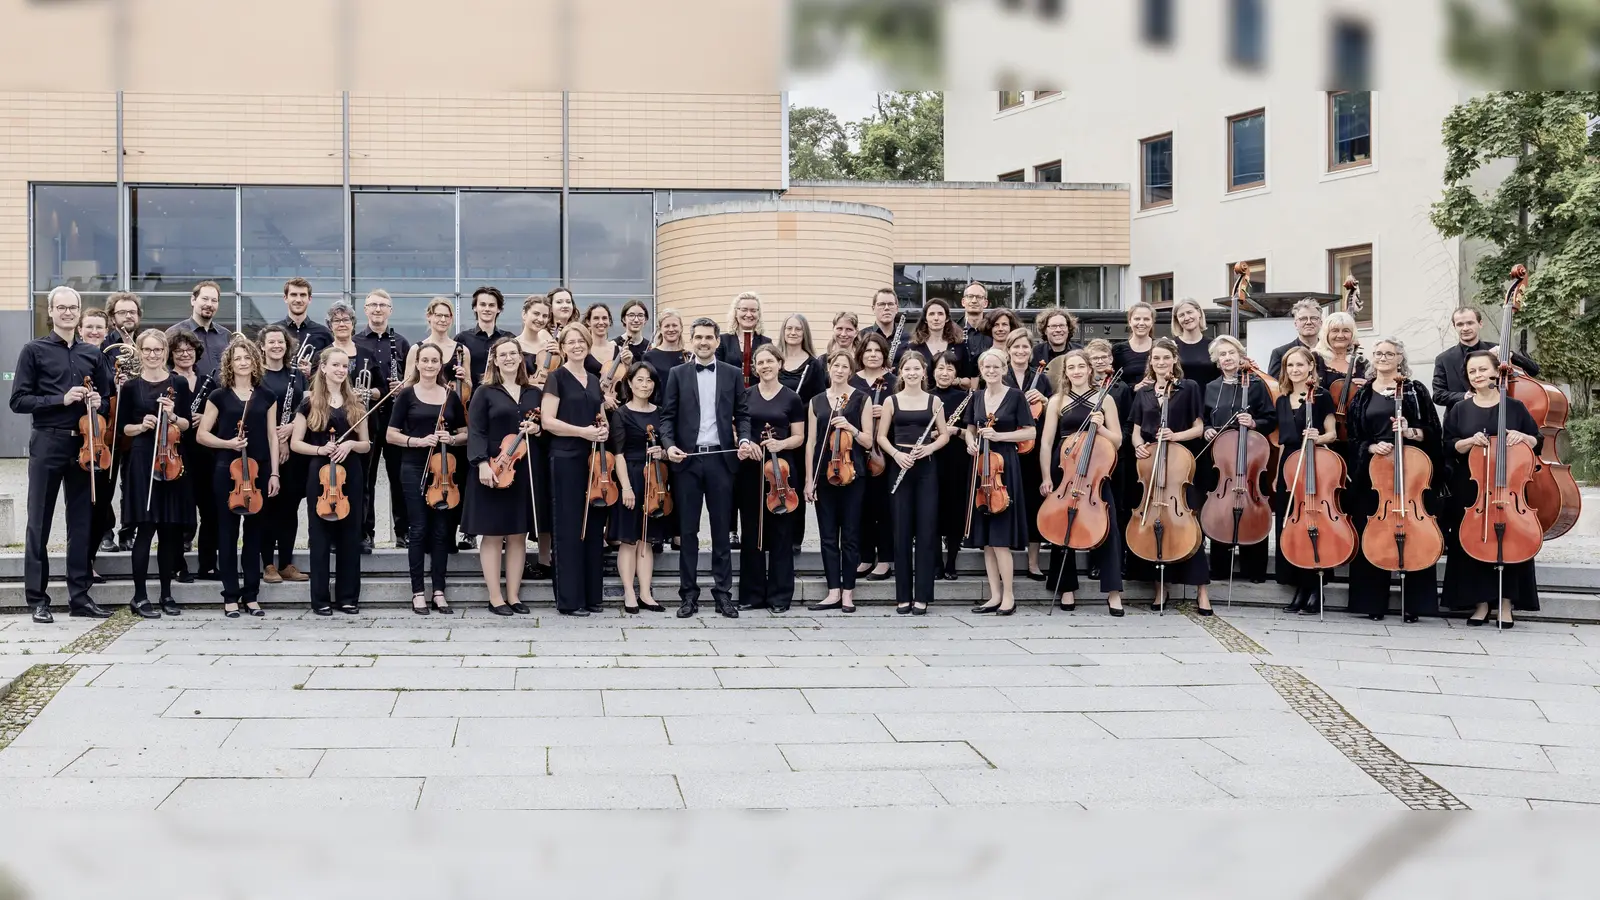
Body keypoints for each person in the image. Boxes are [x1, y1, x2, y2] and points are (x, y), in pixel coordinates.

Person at [10, 285, 114, 623]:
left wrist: (99, 402)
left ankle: (79, 597)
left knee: (81, 522)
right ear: (51, 311)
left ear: (79, 312)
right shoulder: (33, 350)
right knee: (38, 522)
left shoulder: (92, 353)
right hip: (48, 442)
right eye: (61, 308)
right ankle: (38, 599)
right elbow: (18, 401)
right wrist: (60, 399)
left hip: (84, 445)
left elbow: (107, 395)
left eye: (73, 308)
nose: (67, 313)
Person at [661, 317, 754, 618]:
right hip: (686, 462)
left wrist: (745, 439)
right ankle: (688, 595)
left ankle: (723, 594)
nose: (703, 342)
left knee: (720, 532)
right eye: (698, 337)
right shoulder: (677, 373)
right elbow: (667, 416)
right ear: (691, 340)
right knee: (687, 532)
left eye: (709, 337)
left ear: (717, 341)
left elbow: (742, 414)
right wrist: (669, 444)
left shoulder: (732, 373)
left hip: (721, 460)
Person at [1344, 338, 1442, 622]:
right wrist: (1372, 447)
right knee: (1372, 533)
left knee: (1415, 533)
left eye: (1389, 353)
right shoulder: (1362, 394)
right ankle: (1371, 602)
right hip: (1374, 474)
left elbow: (1433, 431)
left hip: (1411, 473)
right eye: (1378, 353)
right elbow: (1353, 437)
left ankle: (1416, 604)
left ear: (1400, 358)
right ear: (1372, 359)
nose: (1383, 357)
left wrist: (1410, 432)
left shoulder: (1413, 391)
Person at [1442, 350, 1542, 627]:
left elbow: (1538, 440)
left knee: (1513, 540)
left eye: (1483, 369)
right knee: (1473, 542)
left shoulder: (1515, 407)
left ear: (1497, 371)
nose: (1478, 375)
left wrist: (1525, 437)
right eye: (1472, 371)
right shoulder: (1459, 409)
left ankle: (1507, 603)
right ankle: (1481, 604)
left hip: (1509, 488)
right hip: (1473, 489)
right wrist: (1468, 442)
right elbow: (1448, 446)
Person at [196, 337, 281, 618]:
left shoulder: (267, 396)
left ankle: (252, 595)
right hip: (226, 471)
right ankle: (230, 596)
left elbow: (272, 435)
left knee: (255, 534)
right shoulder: (219, 395)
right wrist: (229, 444)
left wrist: (274, 473)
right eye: (237, 359)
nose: (243, 362)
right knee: (228, 533)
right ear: (229, 364)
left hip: (258, 471)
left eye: (247, 358)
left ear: (255, 361)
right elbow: (202, 434)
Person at [1039, 349, 1126, 615]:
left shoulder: (1105, 398)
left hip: (1095, 471)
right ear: (1065, 372)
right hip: (1065, 468)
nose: (1076, 371)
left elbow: (1118, 440)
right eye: (1071, 367)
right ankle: (1066, 588)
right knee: (1060, 527)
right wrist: (1045, 476)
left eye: (1080, 366)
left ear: (1090, 369)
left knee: (1108, 529)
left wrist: (1100, 427)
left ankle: (1113, 593)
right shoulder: (1057, 400)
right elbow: (1046, 442)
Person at [1129, 338, 1211, 613]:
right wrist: (1138, 445)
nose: (1161, 363)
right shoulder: (1144, 393)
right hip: (1152, 462)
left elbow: (1199, 428)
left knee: (1190, 528)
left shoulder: (1188, 388)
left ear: (1174, 359)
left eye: (1165, 358)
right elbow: (1137, 429)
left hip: (1179, 463)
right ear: (1150, 362)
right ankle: (1160, 589)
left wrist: (1175, 436)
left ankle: (1202, 592)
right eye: (1156, 358)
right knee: (1153, 527)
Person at [387, 343, 468, 615]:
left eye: (435, 361)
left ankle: (439, 591)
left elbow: (465, 432)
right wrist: (418, 441)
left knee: (442, 531)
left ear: (440, 364)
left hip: (444, 473)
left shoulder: (450, 396)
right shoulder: (407, 396)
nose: (430, 365)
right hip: (412, 468)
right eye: (425, 360)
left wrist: (452, 438)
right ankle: (418, 593)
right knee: (419, 529)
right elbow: (391, 435)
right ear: (418, 364)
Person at [289, 346, 370, 616]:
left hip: (351, 472)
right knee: (320, 535)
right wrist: (320, 450)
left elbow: (366, 444)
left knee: (350, 535)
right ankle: (320, 599)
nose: (340, 370)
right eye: (335, 365)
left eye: (344, 366)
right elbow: (296, 443)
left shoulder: (355, 402)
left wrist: (349, 447)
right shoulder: (309, 401)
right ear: (322, 367)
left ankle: (348, 597)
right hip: (320, 472)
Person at [467, 336, 543, 616]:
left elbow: (542, 426)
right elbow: (476, 431)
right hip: (493, 468)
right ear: (495, 360)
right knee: (493, 534)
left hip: (522, 469)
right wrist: (481, 464)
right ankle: (495, 597)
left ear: (521, 358)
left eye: (514, 353)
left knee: (518, 534)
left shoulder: (533, 392)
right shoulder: (484, 392)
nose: (509, 358)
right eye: (503, 355)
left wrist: (537, 430)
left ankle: (513, 595)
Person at [120, 328, 193, 618]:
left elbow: (187, 425)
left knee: (170, 531)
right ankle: (139, 596)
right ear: (140, 352)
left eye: (158, 350)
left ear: (165, 352)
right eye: (147, 350)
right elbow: (124, 428)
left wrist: (173, 414)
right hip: (142, 460)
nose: (152, 355)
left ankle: (166, 593)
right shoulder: (131, 387)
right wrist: (142, 425)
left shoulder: (179, 383)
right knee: (145, 529)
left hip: (172, 461)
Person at [542, 325, 609, 616]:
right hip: (566, 457)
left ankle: (592, 595)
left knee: (593, 527)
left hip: (593, 461)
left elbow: (600, 415)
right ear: (563, 347)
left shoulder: (594, 380)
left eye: (581, 340)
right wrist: (582, 432)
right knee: (569, 528)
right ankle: (570, 600)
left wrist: (603, 428)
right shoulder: (556, 378)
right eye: (571, 341)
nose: (577, 345)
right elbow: (548, 421)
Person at [964, 348, 1037, 615]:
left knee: (1001, 538)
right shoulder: (977, 396)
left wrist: (998, 437)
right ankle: (994, 595)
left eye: (996, 366)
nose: (991, 371)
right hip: (982, 467)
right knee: (986, 539)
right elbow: (970, 429)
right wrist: (971, 442)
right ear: (981, 370)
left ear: (1004, 369)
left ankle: (1009, 596)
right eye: (986, 367)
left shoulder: (1016, 396)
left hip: (1004, 466)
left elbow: (1029, 432)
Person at [735, 345, 807, 613]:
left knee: (781, 532)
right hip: (751, 470)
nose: (764, 366)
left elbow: (799, 436)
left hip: (783, 472)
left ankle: (779, 597)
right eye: (759, 362)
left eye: (769, 361)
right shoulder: (745, 395)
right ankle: (752, 595)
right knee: (752, 530)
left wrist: (781, 443)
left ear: (779, 363)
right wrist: (745, 444)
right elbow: (737, 428)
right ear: (754, 367)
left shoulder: (791, 398)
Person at [1201, 335, 1277, 585]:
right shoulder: (1211, 387)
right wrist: (1208, 430)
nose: (1227, 358)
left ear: (1240, 355)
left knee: (1252, 503)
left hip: (1250, 459)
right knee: (1221, 506)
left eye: (1231, 353)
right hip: (1222, 459)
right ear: (1216, 360)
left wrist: (1254, 423)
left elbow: (1270, 418)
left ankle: (1254, 568)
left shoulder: (1254, 384)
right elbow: (1204, 419)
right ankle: (1220, 565)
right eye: (1222, 355)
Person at [879, 351, 951, 614]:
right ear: (901, 372)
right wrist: (897, 454)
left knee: (926, 532)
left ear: (924, 372)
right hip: (900, 466)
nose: (911, 373)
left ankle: (922, 596)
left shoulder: (935, 402)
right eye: (906, 369)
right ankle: (902, 596)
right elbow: (881, 437)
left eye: (916, 369)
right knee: (901, 532)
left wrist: (929, 449)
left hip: (925, 469)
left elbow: (944, 435)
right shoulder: (891, 401)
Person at [805, 349, 873, 612]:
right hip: (824, 476)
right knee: (828, 536)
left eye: (845, 366)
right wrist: (809, 480)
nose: (840, 370)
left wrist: (851, 428)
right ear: (829, 368)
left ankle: (848, 593)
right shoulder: (816, 402)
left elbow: (868, 440)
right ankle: (833, 591)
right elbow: (811, 443)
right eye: (836, 365)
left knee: (851, 535)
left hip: (853, 475)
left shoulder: (860, 399)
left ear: (851, 371)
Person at [1273, 346, 1338, 614]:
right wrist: (1279, 474)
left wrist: (1316, 437)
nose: (1295, 370)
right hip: (1289, 466)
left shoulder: (1320, 396)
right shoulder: (1281, 398)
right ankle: (1300, 586)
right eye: (1290, 366)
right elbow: (1280, 442)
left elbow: (1332, 434)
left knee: (1316, 524)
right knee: (1290, 525)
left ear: (1311, 367)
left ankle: (1316, 587)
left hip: (1313, 463)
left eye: (1300, 365)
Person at [407, 297, 475, 552]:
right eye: (438, 315)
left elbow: (468, 389)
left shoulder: (461, 350)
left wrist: (464, 377)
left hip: (453, 424)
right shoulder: (417, 349)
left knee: (453, 479)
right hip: (424, 422)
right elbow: (408, 384)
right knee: (425, 480)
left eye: (447, 316)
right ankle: (422, 535)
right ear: (429, 316)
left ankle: (446, 536)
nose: (442, 319)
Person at [607, 362, 669, 613]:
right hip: (630, 475)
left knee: (646, 539)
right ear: (630, 383)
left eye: (649, 380)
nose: (645, 385)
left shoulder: (661, 412)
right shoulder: (621, 414)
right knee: (629, 540)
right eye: (640, 380)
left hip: (654, 479)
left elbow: (668, 446)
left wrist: (662, 452)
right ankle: (629, 593)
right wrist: (626, 488)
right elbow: (618, 454)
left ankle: (645, 592)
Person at [356, 288, 413, 551]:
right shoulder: (355, 342)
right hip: (366, 419)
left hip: (395, 418)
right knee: (365, 478)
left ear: (390, 310)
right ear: (365, 309)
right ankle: (366, 533)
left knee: (399, 477)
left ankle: (404, 532)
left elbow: (411, 380)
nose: (377, 309)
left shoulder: (402, 343)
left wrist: (401, 386)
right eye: (372, 305)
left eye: (383, 305)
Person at [258, 325, 309, 584]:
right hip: (267, 449)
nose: (277, 346)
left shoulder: (297, 374)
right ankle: (268, 564)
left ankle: (287, 563)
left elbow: (304, 409)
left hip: (293, 450)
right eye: (271, 342)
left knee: (289, 508)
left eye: (281, 342)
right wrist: (277, 440)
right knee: (268, 507)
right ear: (263, 346)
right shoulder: (257, 375)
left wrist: (290, 432)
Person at [1081, 338, 1135, 581]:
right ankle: (1095, 560)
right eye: (1095, 358)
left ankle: (1119, 559)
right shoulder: (1084, 389)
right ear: (1089, 364)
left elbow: (1126, 421)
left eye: (1104, 356)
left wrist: (1117, 441)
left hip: (1117, 457)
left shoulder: (1120, 388)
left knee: (1118, 510)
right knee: (1094, 509)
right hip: (1090, 459)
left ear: (1111, 360)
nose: (1100, 361)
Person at [168, 329, 218, 582]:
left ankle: (208, 564)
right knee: (181, 512)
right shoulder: (167, 381)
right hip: (177, 451)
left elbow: (222, 411)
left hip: (206, 454)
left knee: (211, 511)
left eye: (189, 349)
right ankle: (178, 565)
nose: (185, 353)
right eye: (178, 350)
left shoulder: (209, 382)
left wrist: (207, 418)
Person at [1002, 330, 1052, 581]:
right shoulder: (1000, 375)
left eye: (1025, 347)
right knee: (1006, 500)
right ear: (1008, 349)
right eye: (1016, 347)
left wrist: (1044, 398)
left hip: (1034, 447)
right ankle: (1006, 556)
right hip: (1005, 446)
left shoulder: (1041, 378)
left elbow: (1054, 408)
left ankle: (1033, 562)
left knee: (1034, 502)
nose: (1020, 351)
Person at [514, 295, 556, 578]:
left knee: (544, 492)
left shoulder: (552, 348)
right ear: (524, 314)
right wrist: (532, 381)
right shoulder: (512, 346)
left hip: (546, 427)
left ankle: (545, 558)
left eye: (545, 316)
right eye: (536, 314)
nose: (540, 319)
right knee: (518, 491)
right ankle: (514, 556)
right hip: (518, 424)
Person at [775, 313, 824, 552]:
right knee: (773, 478)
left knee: (794, 479)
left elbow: (817, 399)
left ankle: (795, 538)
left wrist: (794, 408)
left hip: (800, 429)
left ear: (805, 333)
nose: (793, 333)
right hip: (773, 429)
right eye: (789, 328)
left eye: (798, 329)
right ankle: (774, 532)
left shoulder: (813, 364)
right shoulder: (774, 359)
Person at [1432, 306, 1541, 412]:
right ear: (1454, 326)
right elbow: (1438, 395)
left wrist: (1510, 354)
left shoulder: (1497, 350)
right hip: (1459, 422)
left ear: (1480, 324)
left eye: (1470, 323)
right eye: (1460, 324)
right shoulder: (1443, 359)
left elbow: (1534, 370)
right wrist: (1465, 396)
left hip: (1497, 416)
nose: (1465, 328)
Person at [852, 332, 898, 580]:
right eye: (868, 351)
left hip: (885, 452)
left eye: (877, 351)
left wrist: (888, 411)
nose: (872, 355)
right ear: (861, 354)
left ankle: (886, 559)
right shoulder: (852, 381)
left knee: (884, 507)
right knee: (861, 506)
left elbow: (905, 412)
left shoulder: (893, 381)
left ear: (884, 355)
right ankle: (865, 556)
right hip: (856, 451)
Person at [104, 290, 145, 552]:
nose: (128, 316)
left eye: (132, 312)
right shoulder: (103, 345)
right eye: (122, 312)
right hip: (110, 422)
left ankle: (128, 531)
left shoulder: (146, 344)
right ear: (112, 317)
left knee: (132, 482)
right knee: (106, 480)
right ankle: (105, 531)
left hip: (136, 423)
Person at [79, 308, 118, 576]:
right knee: (80, 506)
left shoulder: (107, 361)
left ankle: (89, 559)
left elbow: (107, 400)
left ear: (106, 331)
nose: (94, 331)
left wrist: (116, 390)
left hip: (100, 440)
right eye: (89, 326)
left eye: (99, 327)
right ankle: (78, 561)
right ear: (80, 329)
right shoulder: (73, 356)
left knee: (100, 503)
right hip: (77, 440)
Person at [929, 351, 973, 580]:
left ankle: (952, 561)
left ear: (956, 373)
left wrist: (954, 430)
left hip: (957, 459)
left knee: (955, 508)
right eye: (940, 368)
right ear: (933, 370)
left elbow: (971, 432)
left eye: (950, 369)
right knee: (933, 510)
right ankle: (936, 562)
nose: (944, 373)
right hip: (932, 458)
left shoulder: (966, 397)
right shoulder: (925, 396)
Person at [165, 280, 232, 380]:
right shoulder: (173, 332)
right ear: (193, 300)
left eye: (214, 300)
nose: (209, 304)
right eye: (205, 299)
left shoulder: (226, 335)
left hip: (221, 394)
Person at [456, 286, 515, 386]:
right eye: (482, 305)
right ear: (475, 307)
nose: (487, 309)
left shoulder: (509, 338)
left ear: (499, 309)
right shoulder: (462, 338)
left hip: (502, 396)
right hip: (471, 398)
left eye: (491, 305)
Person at [273, 277, 334, 376]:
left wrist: (313, 371)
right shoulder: (273, 331)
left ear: (309, 299)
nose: (298, 300)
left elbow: (332, 367)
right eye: (293, 295)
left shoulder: (324, 333)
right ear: (285, 298)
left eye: (303, 295)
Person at [716, 291, 771, 388]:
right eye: (744, 310)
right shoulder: (723, 341)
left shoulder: (766, 342)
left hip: (756, 397)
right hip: (729, 396)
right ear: (736, 313)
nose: (749, 314)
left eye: (753, 310)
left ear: (759, 314)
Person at [1267, 298, 1327, 383]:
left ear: (1320, 322)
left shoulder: (1330, 351)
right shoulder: (1280, 353)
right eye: (1303, 319)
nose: (1309, 322)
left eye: (1313, 318)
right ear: (1295, 324)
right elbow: (1273, 387)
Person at [906, 299, 967, 378]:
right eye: (931, 314)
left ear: (947, 318)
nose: (936, 318)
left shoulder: (959, 345)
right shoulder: (914, 347)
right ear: (925, 319)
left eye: (940, 314)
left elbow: (968, 379)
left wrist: (954, 381)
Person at [1171, 298, 1216, 390]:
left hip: (1209, 400)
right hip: (1181, 399)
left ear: (1199, 313)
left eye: (1189, 312)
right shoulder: (1172, 346)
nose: (1187, 318)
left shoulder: (1213, 345)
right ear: (1177, 320)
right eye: (1181, 315)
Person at [857, 287, 906, 365]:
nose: (886, 308)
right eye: (881, 304)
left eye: (890, 304)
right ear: (873, 309)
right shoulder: (861, 336)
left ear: (897, 309)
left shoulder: (908, 338)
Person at [1113, 302, 1156, 387]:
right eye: (1137, 319)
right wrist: (1134, 387)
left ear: (1152, 322)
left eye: (1146, 319)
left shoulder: (1159, 347)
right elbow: (1114, 383)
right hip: (1128, 399)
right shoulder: (1118, 350)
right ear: (1130, 321)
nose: (1141, 323)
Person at [643, 308, 691, 382]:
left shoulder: (689, 357)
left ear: (681, 328)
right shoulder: (649, 357)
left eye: (674, 325)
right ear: (660, 329)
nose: (671, 329)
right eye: (667, 326)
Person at [958, 283, 992, 375]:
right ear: (963, 302)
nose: (974, 301)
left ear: (985, 303)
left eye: (979, 297)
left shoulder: (993, 331)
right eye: (970, 296)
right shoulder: (952, 330)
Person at [616, 299, 652, 365]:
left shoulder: (651, 347)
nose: (636, 320)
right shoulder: (614, 345)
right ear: (624, 319)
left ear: (645, 319)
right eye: (631, 315)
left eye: (640, 315)